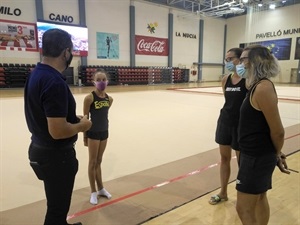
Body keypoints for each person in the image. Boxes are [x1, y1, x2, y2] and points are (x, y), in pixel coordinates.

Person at [24, 28, 92, 225]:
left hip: (39, 148)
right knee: (57, 209)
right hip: (56, 157)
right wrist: (83, 125)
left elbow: (44, 114)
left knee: (56, 203)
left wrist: (71, 118)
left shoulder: (35, 74)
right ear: (66, 53)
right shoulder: (54, 82)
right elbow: (58, 131)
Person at [235, 45, 290, 225]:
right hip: (255, 155)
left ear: (254, 62)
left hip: (256, 157)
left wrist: (276, 153)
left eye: (243, 59)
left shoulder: (263, 88)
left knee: (243, 208)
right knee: (259, 198)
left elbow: (278, 131)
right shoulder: (255, 86)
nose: (240, 63)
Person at [209, 48, 247, 205]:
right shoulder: (226, 79)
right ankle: (223, 192)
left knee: (241, 163)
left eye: (231, 59)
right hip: (225, 122)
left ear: (240, 60)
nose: (228, 62)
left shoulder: (249, 80)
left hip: (242, 125)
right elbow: (228, 100)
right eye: (226, 59)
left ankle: (244, 195)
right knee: (224, 158)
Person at [83, 69, 113, 205]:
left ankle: (101, 188)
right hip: (93, 133)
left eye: (103, 80)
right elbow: (85, 118)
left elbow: (104, 114)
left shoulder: (109, 99)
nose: (101, 82)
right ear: (94, 82)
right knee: (92, 162)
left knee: (99, 161)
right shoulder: (89, 98)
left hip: (104, 132)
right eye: (99, 80)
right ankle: (93, 191)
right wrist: (85, 136)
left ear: (107, 82)